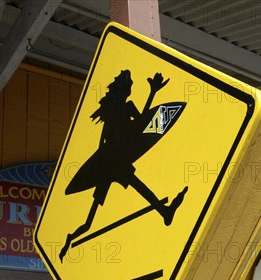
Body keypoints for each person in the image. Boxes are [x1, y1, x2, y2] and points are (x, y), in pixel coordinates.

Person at [59, 70, 188, 262]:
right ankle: (70, 239)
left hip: (117, 160)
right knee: (89, 221)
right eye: (127, 86)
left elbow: (144, 123)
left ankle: (165, 211)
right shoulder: (112, 112)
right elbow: (103, 143)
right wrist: (98, 166)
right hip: (109, 163)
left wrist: (153, 92)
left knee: (139, 186)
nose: (128, 90)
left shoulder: (127, 107)